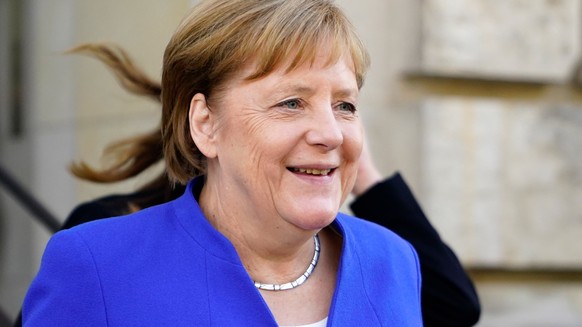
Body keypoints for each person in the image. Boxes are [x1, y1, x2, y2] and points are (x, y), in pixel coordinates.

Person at [21, 0, 425, 325]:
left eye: (345, 105)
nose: (331, 133)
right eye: (290, 103)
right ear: (206, 124)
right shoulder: (97, 266)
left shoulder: (393, 259)